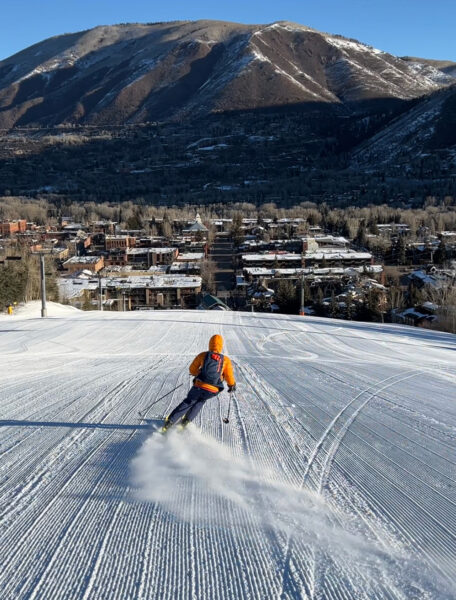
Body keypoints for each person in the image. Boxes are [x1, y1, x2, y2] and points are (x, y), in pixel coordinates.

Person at [161, 334, 236, 432]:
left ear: (210, 344)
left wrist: (198, 373)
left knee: (189, 401)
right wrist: (231, 385)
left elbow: (192, 369)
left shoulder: (203, 355)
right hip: (213, 390)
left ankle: (169, 422)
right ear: (221, 345)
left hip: (200, 386)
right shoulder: (225, 360)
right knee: (200, 401)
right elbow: (229, 376)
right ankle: (185, 421)